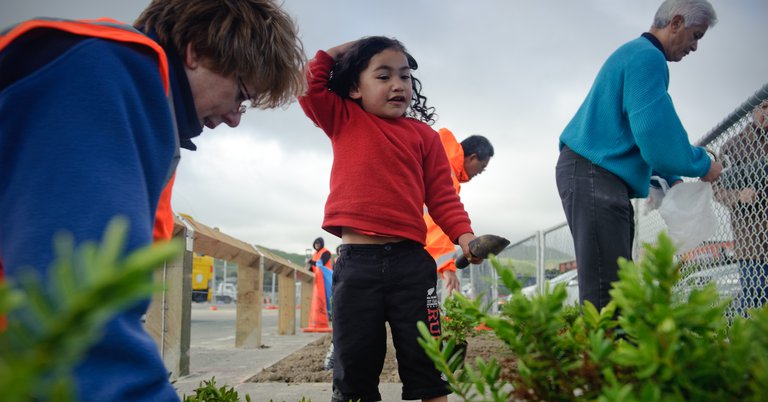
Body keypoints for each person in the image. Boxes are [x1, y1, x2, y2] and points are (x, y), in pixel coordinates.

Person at [0, 1, 305, 401]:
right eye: (241, 94)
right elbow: (79, 315)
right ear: (196, 50)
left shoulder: (134, 94)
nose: (235, 118)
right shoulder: (104, 76)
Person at [298, 36, 482, 402]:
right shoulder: (342, 118)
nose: (398, 85)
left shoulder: (425, 138)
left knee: (428, 367)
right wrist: (357, 46)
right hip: (356, 266)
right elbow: (308, 81)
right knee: (354, 370)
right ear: (354, 87)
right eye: (383, 76)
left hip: (411, 266)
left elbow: (443, 198)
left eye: (405, 76)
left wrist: (466, 238)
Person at [555, 0, 723, 312]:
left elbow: (638, 133)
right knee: (609, 290)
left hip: (593, 173)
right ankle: (607, 361)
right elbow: (653, 129)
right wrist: (703, 164)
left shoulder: (637, 55)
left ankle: (609, 357)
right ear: (675, 23)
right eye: (695, 35)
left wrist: (669, 178)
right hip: (594, 174)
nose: (695, 47)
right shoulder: (648, 58)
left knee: (613, 282)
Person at [714, 100, 768, 316]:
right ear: (754, 110)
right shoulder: (733, 145)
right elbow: (715, 187)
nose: (767, 113)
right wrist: (738, 195)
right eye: (764, 107)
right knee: (755, 300)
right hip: (752, 244)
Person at [424, 129, 494, 295]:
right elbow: (435, 218)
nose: (480, 173)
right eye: (482, 167)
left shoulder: (438, 154)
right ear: (472, 158)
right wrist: (447, 266)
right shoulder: (445, 169)